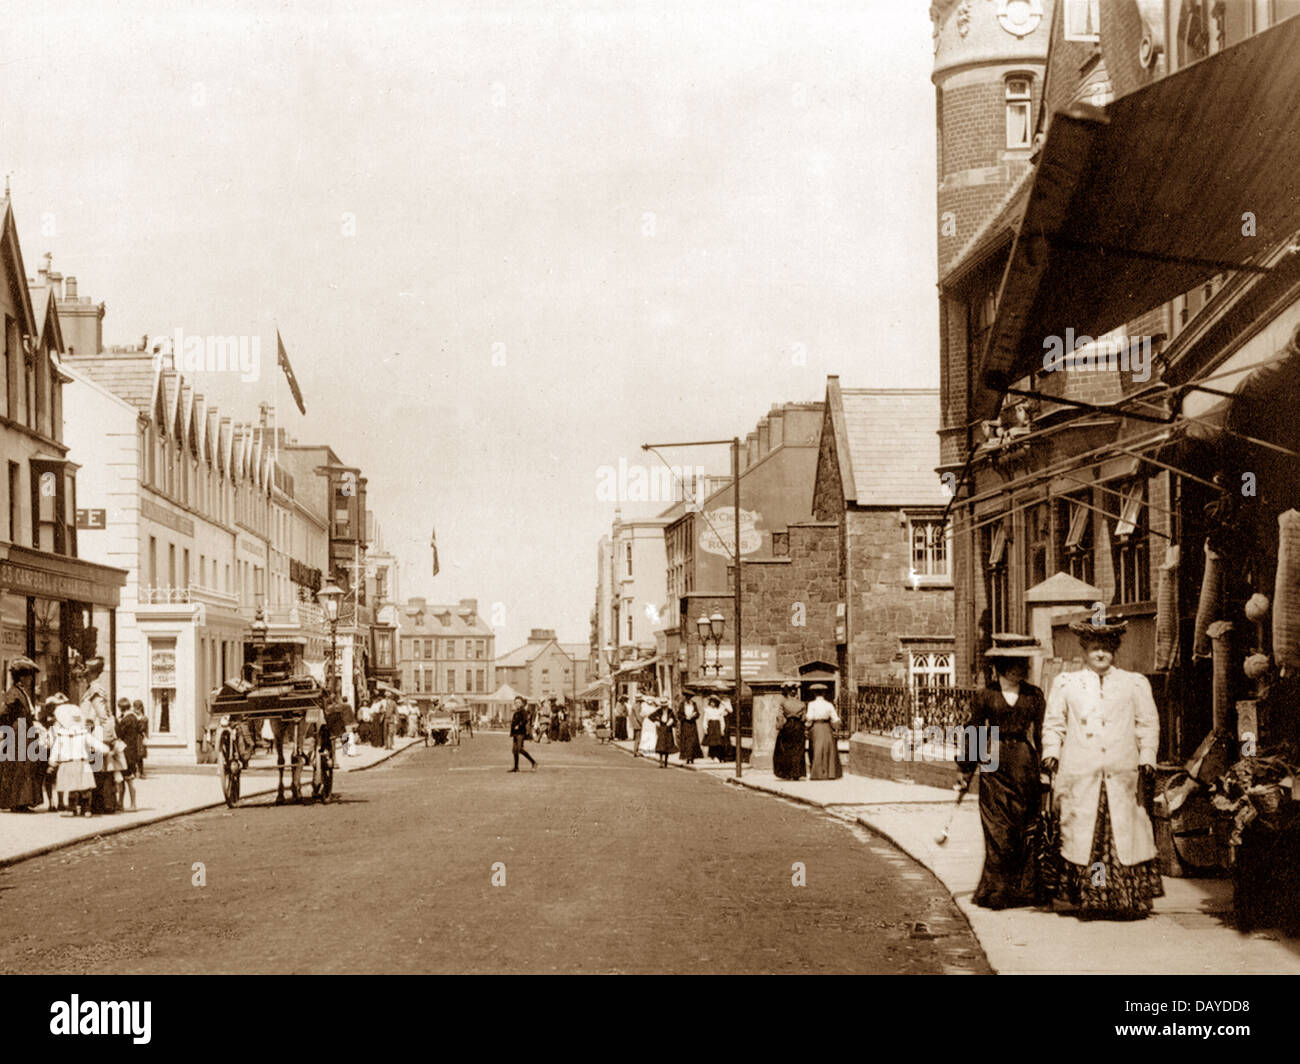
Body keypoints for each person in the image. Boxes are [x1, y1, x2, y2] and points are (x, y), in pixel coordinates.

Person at [1041, 620, 1163, 920]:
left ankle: (1122, 899)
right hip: (1081, 772)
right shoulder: (1067, 684)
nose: (1100, 654)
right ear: (1084, 650)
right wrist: (1051, 753)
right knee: (1088, 838)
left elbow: (1147, 723)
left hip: (1122, 774)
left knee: (1122, 834)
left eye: (1106, 649)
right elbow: (1054, 723)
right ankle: (1094, 897)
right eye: (1094, 648)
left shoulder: (1134, 684)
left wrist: (1147, 756)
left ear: (1115, 651)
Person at [957, 639, 1047, 910]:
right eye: (1015, 665)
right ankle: (997, 891)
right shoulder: (985, 696)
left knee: (1023, 827)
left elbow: (1042, 734)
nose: (1021, 669)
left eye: (1024, 664)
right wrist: (965, 770)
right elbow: (974, 730)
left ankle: (1024, 891)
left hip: (1023, 763)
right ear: (1002, 667)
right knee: (997, 829)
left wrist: (1046, 768)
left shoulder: (1034, 695)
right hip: (993, 760)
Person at [0, 657, 45, 811]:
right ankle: (17, 802)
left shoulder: (21, 692)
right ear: (22, 677)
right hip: (18, 734)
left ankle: (22, 801)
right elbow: (4, 712)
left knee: (24, 767)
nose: (31, 679)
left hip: (23, 734)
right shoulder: (14, 693)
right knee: (20, 768)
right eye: (29, 675)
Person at [773, 682, 807, 781]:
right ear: (796, 693)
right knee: (798, 749)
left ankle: (787, 773)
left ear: (788, 692)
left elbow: (780, 717)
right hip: (798, 726)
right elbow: (804, 718)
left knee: (786, 749)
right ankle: (796, 773)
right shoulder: (802, 704)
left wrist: (779, 726)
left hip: (788, 726)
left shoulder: (784, 703)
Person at [806, 684, 842, 780]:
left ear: (814, 693)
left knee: (817, 749)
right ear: (824, 693)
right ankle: (830, 773)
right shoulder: (829, 704)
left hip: (816, 727)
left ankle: (817, 773)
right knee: (828, 749)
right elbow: (835, 718)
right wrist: (836, 728)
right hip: (827, 727)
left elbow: (810, 718)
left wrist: (807, 726)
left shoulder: (811, 704)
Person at [508, 696, 537, 772]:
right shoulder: (517, 712)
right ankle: (516, 767)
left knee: (519, 749)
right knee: (514, 750)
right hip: (515, 733)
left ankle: (533, 762)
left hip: (521, 733)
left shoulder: (523, 711)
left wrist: (519, 725)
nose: (517, 704)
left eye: (519, 702)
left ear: (522, 703)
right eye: (516, 702)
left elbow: (525, 720)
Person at [676, 695, 702, 764]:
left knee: (693, 741)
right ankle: (687, 757)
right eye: (687, 697)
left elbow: (698, 714)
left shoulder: (694, 704)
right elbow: (679, 715)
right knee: (686, 740)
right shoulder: (682, 704)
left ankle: (692, 757)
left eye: (689, 697)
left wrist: (693, 716)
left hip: (692, 724)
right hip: (685, 724)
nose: (688, 699)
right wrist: (685, 717)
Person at [702, 696, 728, 762]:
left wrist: (722, 729)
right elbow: (705, 720)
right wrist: (705, 728)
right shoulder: (707, 710)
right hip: (711, 727)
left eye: (714, 702)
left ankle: (719, 756)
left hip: (717, 727)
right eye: (711, 702)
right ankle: (713, 756)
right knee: (711, 743)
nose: (712, 704)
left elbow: (722, 720)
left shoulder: (719, 710)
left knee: (719, 743)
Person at [653, 699, 676, 768]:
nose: (664, 707)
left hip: (668, 730)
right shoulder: (659, 711)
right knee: (661, 746)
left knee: (667, 747)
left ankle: (666, 762)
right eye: (662, 706)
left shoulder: (670, 711)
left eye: (665, 706)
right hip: (661, 729)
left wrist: (671, 721)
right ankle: (660, 762)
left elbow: (675, 719)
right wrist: (656, 722)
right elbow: (651, 716)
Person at [132, 700, 149, 777]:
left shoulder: (144, 718)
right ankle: (134, 772)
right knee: (133, 755)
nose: (136, 710)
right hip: (133, 737)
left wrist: (146, 737)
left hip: (140, 737)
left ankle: (141, 772)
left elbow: (144, 729)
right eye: (135, 708)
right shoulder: (133, 716)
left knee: (140, 756)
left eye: (138, 708)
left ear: (141, 708)